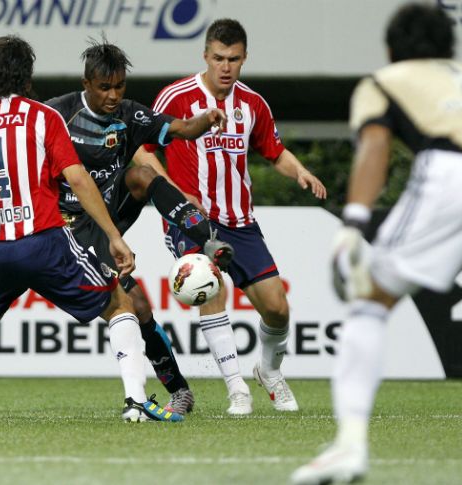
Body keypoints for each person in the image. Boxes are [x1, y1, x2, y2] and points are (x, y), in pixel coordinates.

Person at [290, 3, 462, 483]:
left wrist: (353, 224)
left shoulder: (385, 80)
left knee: (370, 302)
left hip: (457, 169)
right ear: (451, 47)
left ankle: (349, 446)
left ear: (391, 49)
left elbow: (375, 144)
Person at [0, 35, 184, 424]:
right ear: (25, 75)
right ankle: (136, 401)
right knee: (120, 303)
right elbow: (79, 180)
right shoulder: (41, 117)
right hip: (42, 239)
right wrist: (114, 236)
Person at [135, 18, 327, 415]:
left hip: (240, 222)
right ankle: (236, 387)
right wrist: (173, 194)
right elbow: (144, 151)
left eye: (234, 59)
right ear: (205, 55)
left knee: (277, 308)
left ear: (244, 60)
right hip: (191, 220)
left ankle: (269, 372)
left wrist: (301, 171)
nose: (225, 66)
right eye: (219, 58)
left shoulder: (253, 104)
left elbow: (274, 151)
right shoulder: (175, 97)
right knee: (211, 285)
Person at [44, 38, 235, 415]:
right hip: (70, 227)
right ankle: (174, 389)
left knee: (144, 174)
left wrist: (205, 120)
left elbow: (181, 128)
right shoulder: (56, 115)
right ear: (86, 83)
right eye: (104, 88)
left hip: (110, 216)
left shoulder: (130, 115)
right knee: (140, 307)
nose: (113, 95)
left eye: (119, 86)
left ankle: (207, 242)